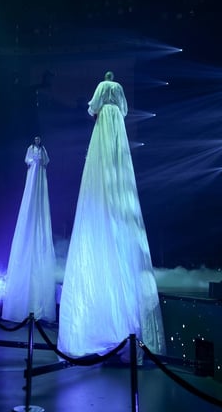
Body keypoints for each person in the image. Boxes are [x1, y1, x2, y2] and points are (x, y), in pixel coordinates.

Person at [57, 71, 165, 360]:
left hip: (105, 124)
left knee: (105, 172)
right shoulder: (117, 92)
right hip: (115, 125)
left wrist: (98, 110)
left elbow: (92, 107)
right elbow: (126, 109)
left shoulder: (103, 89)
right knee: (115, 170)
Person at [1, 136, 58, 323]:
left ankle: (40, 308)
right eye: (36, 139)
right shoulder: (31, 149)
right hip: (33, 175)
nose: (38, 141)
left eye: (40, 139)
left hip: (40, 177)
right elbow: (28, 160)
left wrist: (39, 161)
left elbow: (46, 162)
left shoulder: (43, 150)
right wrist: (34, 161)